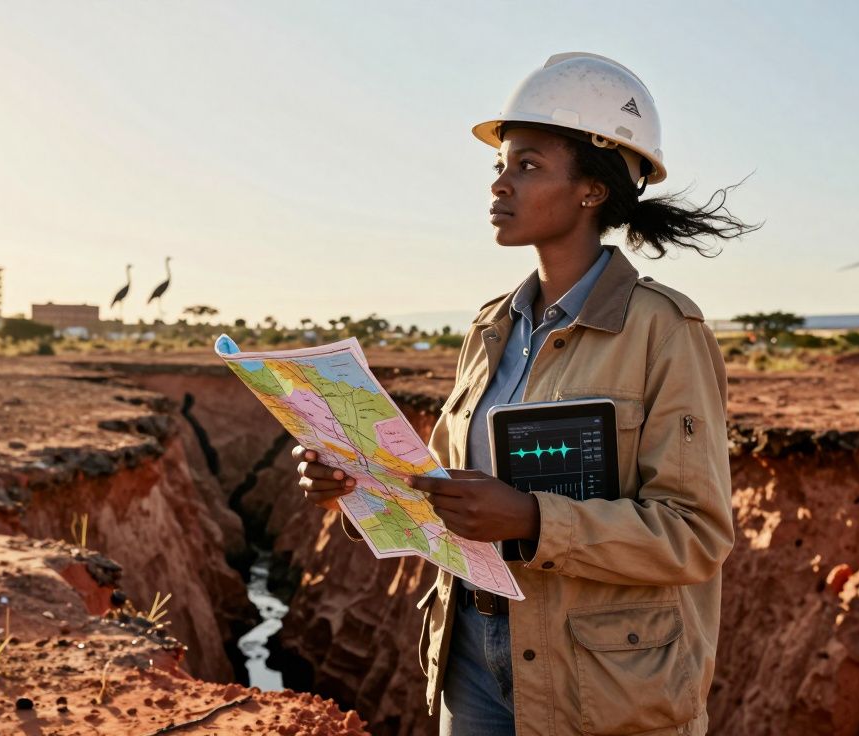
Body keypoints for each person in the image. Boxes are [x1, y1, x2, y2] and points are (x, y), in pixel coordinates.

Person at [292, 52, 753, 735]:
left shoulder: (664, 330)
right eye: (499, 167)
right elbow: (447, 495)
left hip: (601, 685)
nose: (499, 185)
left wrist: (534, 520)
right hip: (473, 659)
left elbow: (695, 536)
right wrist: (354, 480)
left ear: (592, 189)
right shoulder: (491, 327)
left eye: (527, 165)